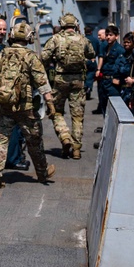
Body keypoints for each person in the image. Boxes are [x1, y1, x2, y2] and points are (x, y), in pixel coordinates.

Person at [0, 22, 55, 189]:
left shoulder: (1, 54)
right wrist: (50, 103)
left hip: (4, 106)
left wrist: (2, 91)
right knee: (34, 140)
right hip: (26, 108)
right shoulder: (31, 56)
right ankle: (42, 173)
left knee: (1, 140)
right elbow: (42, 82)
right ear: (29, 38)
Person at [41, 13, 95, 159]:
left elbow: (43, 57)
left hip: (60, 80)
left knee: (56, 112)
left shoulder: (56, 39)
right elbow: (91, 54)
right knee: (77, 116)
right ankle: (76, 149)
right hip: (78, 80)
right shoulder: (83, 39)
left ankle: (65, 137)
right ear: (76, 24)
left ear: (62, 24)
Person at [0, 17, 28, 171]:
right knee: (12, 126)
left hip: (3, 92)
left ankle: (13, 157)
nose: (2, 32)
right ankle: (13, 160)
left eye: (4, 29)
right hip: (4, 94)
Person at [96, 25, 129, 115]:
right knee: (103, 105)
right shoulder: (105, 47)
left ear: (116, 36)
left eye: (110, 35)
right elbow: (101, 58)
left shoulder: (120, 50)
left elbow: (121, 67)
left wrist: (118, 79)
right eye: (107, 35)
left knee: (114, 107)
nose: (108, 37)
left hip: (113, 83)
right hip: (104, 81)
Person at [91, 27, 108, 114]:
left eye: (100, 35)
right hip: (105, 71)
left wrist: (98, 69)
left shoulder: (103, 45)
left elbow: (101, 57)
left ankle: (101, 108)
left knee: (101, 92)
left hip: (102, 72)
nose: (98, 37)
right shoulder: (106, 44)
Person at [83, 26, 98, 101]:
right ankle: (89, 87)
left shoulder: (82, 40)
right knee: (91, 74)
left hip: (84, 60)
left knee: (84, 75)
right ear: (91, 32)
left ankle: (85, 86)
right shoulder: (95, 40)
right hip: (92, 60)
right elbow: (98, 50)